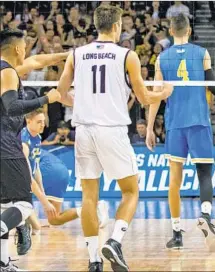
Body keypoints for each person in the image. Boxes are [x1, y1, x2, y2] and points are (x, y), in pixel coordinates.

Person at [56, 5, 173, 272]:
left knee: (89, 197)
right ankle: (115, 241)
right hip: (112, 130)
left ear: (97, 25)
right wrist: (164, 93)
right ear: (118, 26)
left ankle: (93, 259)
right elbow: (143, 98)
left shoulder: (76, 54)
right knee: (131, 191)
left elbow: (61, 92)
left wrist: (81, 102)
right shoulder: (127, 55)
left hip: (84, 130)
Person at [146, 13, 215, 252]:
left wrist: (151, 127)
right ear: (190, 31)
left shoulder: (162, 59)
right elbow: (212, 86)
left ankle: (176, 233)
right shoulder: (201, 53)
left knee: (174, 180)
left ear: (170, 32)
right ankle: (205, 215)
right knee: (204, 173)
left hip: (175, 124)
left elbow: (155, 96)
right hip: (199, 122)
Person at [0, 29, 69, 271]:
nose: (27, 51)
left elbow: (37, 61)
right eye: (25, 47)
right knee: (24, 205)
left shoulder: (5, 69)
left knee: (4, 207)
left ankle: (3, 262)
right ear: (17, 48)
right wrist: (45, 100)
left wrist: (66, 55)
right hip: (7, 146)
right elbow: (11, 107)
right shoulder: (7, 71)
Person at [22, 109, 109, 230]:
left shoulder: (30, 138)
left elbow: (31, 173)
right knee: (53, 220)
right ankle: (93, 209)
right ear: (28, 121)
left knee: (18, 200)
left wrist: (44, 200)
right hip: (58, 169)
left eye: (43, 121)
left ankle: (14, 227)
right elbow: (34, 170)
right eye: (39, 122)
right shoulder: (33, 137)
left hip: (49, 170)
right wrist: (43, 197)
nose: (43, 124)